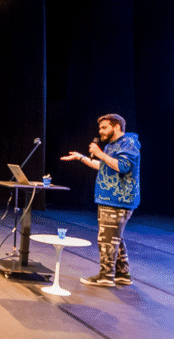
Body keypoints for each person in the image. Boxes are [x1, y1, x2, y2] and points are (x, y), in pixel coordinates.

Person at [60, 113, 140, 287]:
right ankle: (122, 274)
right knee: (114, 237)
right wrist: (83, 158)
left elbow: (122, 166)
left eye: (104, 127)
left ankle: (105, 276)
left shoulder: (129, 143)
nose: (101, 132)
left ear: (116, 126)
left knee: (107, 238)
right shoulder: (113, 145)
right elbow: (104, 166)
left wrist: (99, 153)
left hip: (119, 199)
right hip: (109, 198)